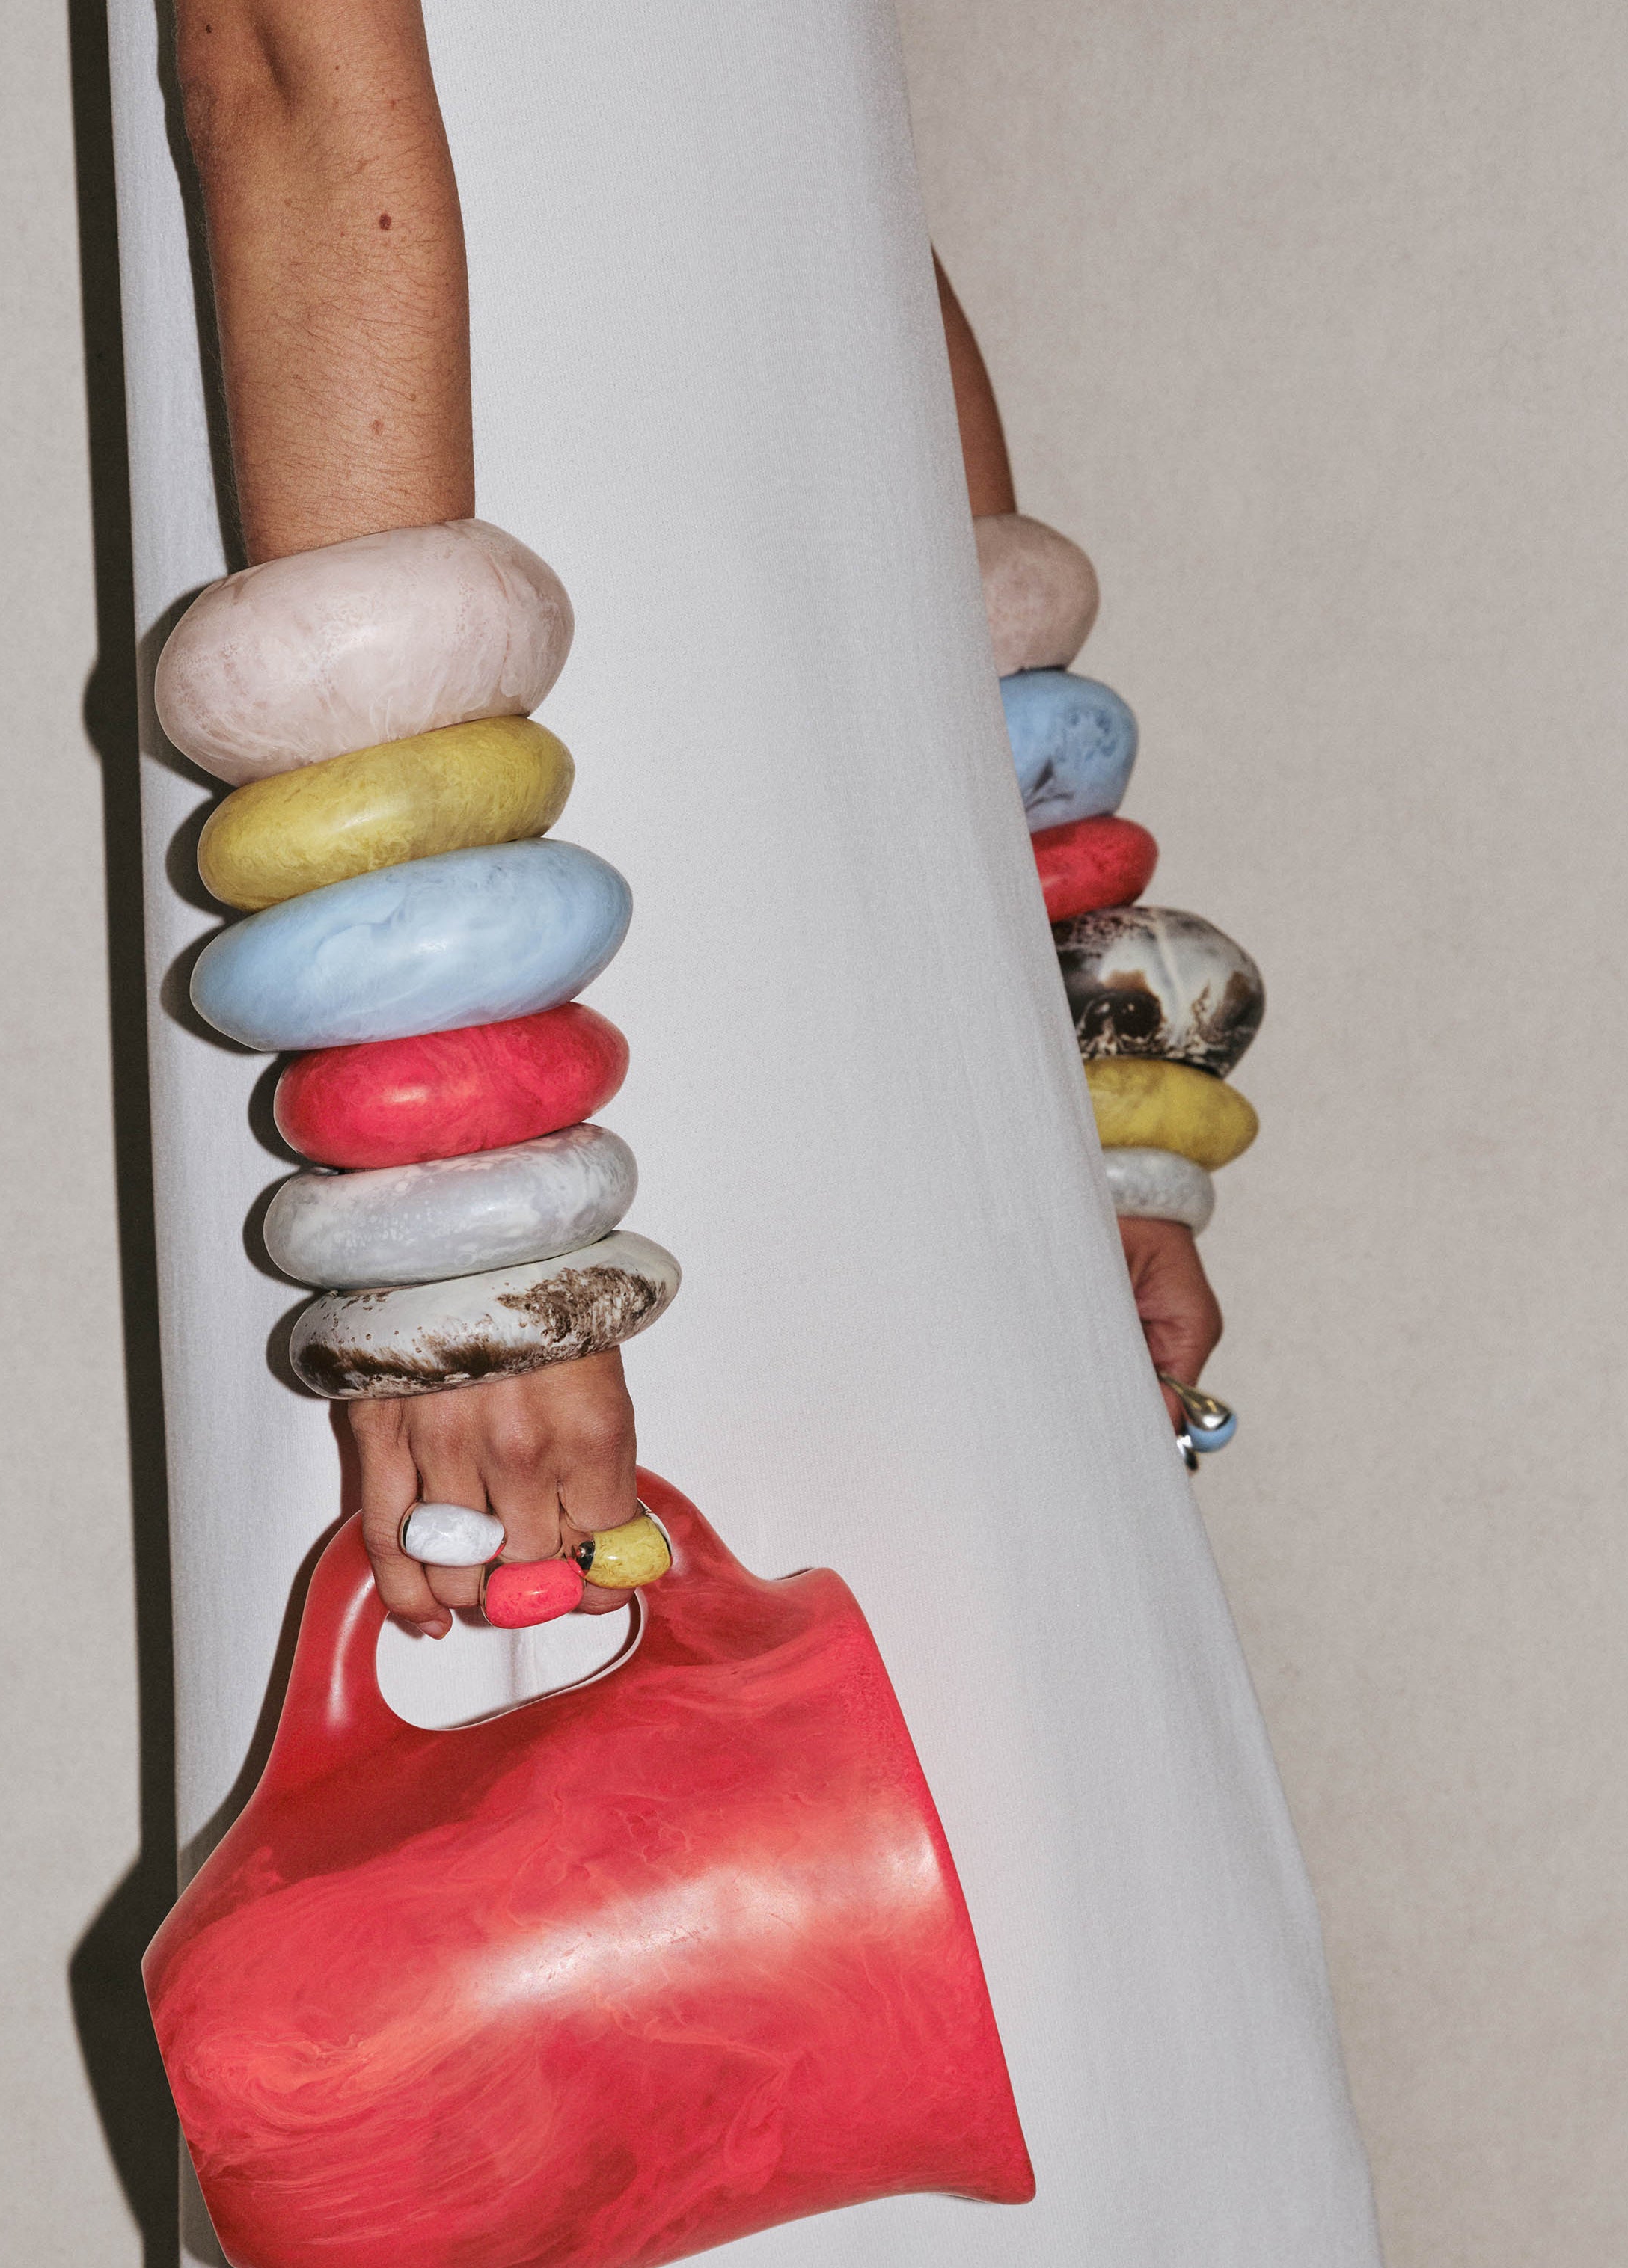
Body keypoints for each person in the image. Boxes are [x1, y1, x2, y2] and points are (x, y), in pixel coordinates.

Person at [110, 2, 1501, 2268]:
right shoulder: (457, 1122)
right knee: (638, 2051)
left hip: (740, 863)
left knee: (1013, 2052)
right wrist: (439, 1192)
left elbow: (849, 234)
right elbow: (285, 81)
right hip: (526, 894)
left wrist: (1079, 1018)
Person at [174, 0, 1221, 1640]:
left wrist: (1065, 1020)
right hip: (472, 704)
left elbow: (835, 181)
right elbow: (281, 72)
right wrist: (470, 1252)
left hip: (826, 708)